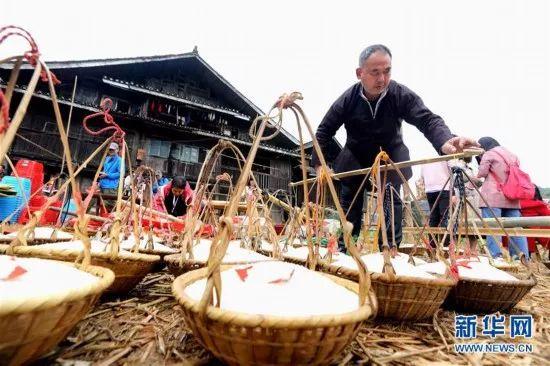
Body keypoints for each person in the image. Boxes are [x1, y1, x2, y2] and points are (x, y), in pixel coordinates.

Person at [312, 44, 478, 251]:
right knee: (350, 202)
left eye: (387, 71)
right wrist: (320, 164)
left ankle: (390, 249)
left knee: (391, 197)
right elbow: (323, 132)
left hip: (390, 153)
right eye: (375, 73)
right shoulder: (347, 99)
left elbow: (427, 119)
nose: (382, 79)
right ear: (359, 73)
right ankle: (347, 248)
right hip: (355, 154)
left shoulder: (399, 94)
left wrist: (445, 141)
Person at [476, 136, 529, 259]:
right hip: (512, 197)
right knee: (515, 229)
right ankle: (521, 258)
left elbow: (482, 173)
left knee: (493, 228)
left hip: (493, 196)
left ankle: (496, 257)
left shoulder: (488, 154)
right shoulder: (512, 155)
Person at [420, 161, 451, 247]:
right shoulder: (444, 155)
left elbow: (422, 175)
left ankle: (432, 244)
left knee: (433, 217)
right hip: (444, 187)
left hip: (430, 189)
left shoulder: (425, 158)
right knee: (443, 216)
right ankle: (445, 245)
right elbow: (454, 167)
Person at [520, 186, 550, 257]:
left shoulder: (515, 205)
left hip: (521, 233)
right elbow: (547, 215)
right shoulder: (539, 204)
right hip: (536, 232)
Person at [99, 142, 122, 212]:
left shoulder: (119, 160)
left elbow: (120, 174)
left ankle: (112, 221)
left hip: (111, 187)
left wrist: (107, 175)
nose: (111, 151)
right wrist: (102, 175)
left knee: (110, 207)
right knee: (101, 205)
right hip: (102, 185)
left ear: (117, 150)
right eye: (110, 150)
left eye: (113, 150)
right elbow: (105, 170)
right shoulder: (107, 159)